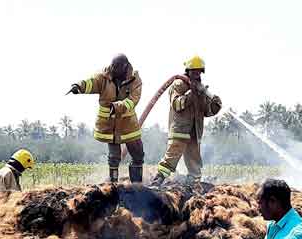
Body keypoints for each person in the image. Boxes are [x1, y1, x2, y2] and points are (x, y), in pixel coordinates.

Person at [69, 54, 144, 183]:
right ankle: (113, 186)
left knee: (137, 154)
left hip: (128, 125)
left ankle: (137, 186)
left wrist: (118, 107)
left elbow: (133, 99)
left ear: (125, 67)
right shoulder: (103, 77)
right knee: (114, 157)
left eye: (117, 67)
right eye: (112, 66)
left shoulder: (135, 79)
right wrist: (79, 86)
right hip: (110, 126)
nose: (113, 69)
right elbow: (91, 83)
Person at [152, 56, 222, 182]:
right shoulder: (179, 85)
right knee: (172, 156)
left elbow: (206, 111)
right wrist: (191, 94)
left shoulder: (201, 90)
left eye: (199, 71)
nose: (196, 74)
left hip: (194, 132)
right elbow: (176, 105)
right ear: (188, 71)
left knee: (194, 161)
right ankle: (158, 179)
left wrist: (214, 106)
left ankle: (193, 184)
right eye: (194, 71)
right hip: (180, 130)